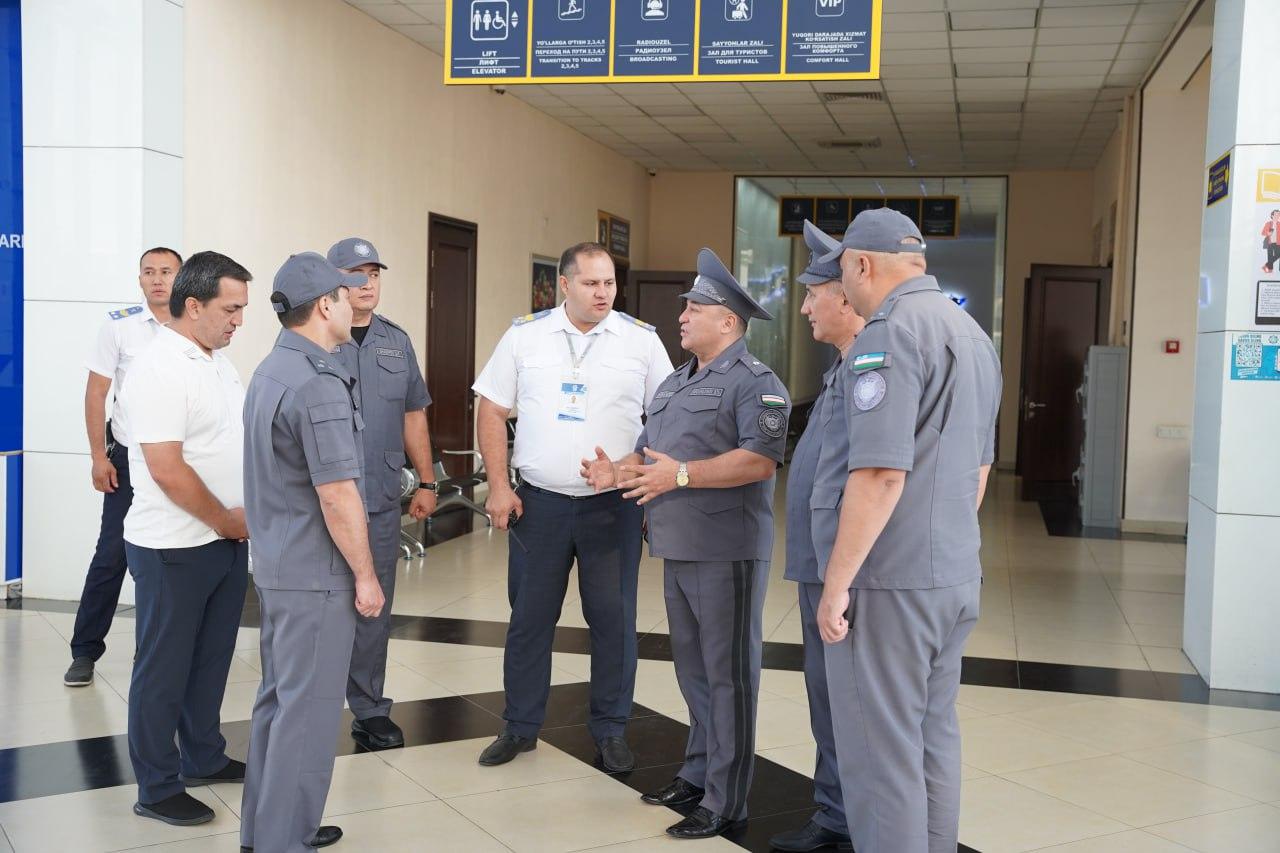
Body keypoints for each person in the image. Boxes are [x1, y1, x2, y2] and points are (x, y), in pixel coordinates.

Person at [810, 209, 1001, 853]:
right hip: (952, 573)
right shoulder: (972, 333)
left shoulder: (887, 335)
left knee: (879, 753)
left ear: (862, 264)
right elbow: (978, 472)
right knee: (931, 737)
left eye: (841, 271)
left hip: (890, 584)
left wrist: (837, 584)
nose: (842, 286)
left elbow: (879, 475)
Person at [584, 248, 791, 840]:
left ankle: (728, 799)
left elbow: (758, 459)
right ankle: (698, 774)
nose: (682, 316)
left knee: (730, 677)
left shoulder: (757, 384)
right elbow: (651, 454)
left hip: (727, 550)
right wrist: (615, 472)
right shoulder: (677, 382)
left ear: (728, 321)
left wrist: (680, 476)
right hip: (677, 547)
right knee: (695, 672)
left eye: (695, 308)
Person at [472, 241, 672, 772]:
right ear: (565, 285)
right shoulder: (525, 336)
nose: (603, 292)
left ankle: (610, 730)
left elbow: (668, 421)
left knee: (613, 620)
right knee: (530, 620)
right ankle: (519, 727)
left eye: (609, 283)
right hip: (539, 506)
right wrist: (498, 484)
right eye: (591, 283)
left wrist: (629, 471)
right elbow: (490, 410)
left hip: (614, 507)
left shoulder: (641, 342)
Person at [240, 252, 386, 853]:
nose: (356, 301)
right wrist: (367, 575)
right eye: (347, 293)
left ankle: (269, 830)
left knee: (279, 706)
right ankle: (284, 841)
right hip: (317, 572)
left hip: (279, 564)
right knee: (309, 716)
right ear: (324, 305)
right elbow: (337, 494)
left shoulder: (272, 369)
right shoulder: (318, 382)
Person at [119, 251, 252, 826]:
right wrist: (223, 519)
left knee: (211, 660)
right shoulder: (157, 368)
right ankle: (156, 784)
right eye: (230, 309)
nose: (238, 321)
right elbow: (167, 468)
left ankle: (203, 755)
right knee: (164, 667)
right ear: (192, 305)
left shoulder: (218, 361)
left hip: (224, 542)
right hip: (173, 544)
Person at [768, 222, 865, 853]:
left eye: (813, 293)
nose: (803, 306)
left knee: (845, 701)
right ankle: (835, 811)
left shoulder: (869, 370)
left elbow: (876, 479)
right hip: (817, 563)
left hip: (840, 570)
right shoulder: (842, 368)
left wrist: (840, 578)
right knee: (825, 697)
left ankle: (846, 819)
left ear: (847, 297)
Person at [327, 237, 437, 752]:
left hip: (379, 498)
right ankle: (315, 703)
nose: (367, 282)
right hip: (323, 501)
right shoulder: (317, 338)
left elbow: (413, 413)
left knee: (375, 604)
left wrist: (428, 479)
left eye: (374, 272)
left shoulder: (397, 341)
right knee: (323, 606)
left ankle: (369, 708)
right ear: (332, 281)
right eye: (356, 272)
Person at [65, 247, 181, 687]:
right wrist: (98, 456)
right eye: (149, 272)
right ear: (139, 279)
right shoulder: (120, 327)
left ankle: (155, 654)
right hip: (129, 461)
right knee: (111, 556)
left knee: (174, 558)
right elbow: (96, 395)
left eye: (166, 272)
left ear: (182, 277)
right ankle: (84, 651)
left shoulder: (193, 325)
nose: (157, 280)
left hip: (180, 463)